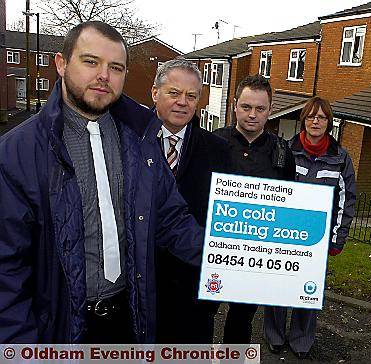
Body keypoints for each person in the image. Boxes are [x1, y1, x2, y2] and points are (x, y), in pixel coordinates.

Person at [0, 21, 204, 343]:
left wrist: (234, 257)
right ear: (62, 63)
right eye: (91, 62)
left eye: (116, 67)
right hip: (60, 331)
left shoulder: (140, 139)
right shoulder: (18, 153)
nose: (104, 76)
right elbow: (6, 270)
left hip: (129, 321)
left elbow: (171, 219)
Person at [264, 96, 356, 359]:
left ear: (329, 122)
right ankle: (274, 335)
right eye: (311, 116)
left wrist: (337, 240)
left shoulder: (341, 158)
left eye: (322, 117)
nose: (316, 121)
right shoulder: (285, 150)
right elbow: (270, 190)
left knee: (308, 290)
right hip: (282, 235)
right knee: (278, 286)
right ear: (303, 120)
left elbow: (347, 200)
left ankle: (301, 339)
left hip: (317, 238)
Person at [151, 58, 232, 343]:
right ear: (155, 94)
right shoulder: (129, 142)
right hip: (141, 290)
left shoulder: (219, 151)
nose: (182, 102)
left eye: (191, 96)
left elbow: (226, 221)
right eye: (174, 93)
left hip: (194, 292)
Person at [213, 74, 296, 344]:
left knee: (241, 321)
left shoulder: (282, 152)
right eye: (246, 107)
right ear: (234, 105)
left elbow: (288, 204)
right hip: (212, 250)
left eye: (260, 109)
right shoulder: (212, 142)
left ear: (270, 110)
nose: (252, 115)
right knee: (202, 316)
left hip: (254, 255)